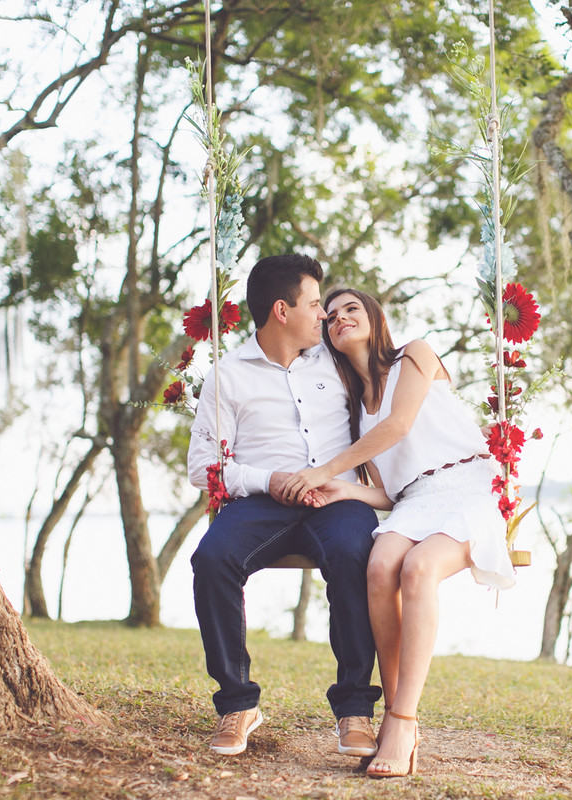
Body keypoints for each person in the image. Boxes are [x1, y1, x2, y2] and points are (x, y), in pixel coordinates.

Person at [279, 288, 516, 778]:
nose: (341, 318)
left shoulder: (416, 353)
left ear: (373, 317)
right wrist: (345, 491)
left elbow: (401, 425)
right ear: (326, 336)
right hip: (414, 502)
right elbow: (387, 494)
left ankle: (404, 721)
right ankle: (393, 712)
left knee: (418, 568)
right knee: (380, 564)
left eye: (352, 309)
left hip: (468, 485)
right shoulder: (358, 408)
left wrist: (325, 471)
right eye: (332, 316)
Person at [186, 255, 382, 759]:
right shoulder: (227, 375)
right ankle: (237, 703)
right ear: (281, 310)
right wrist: (267, 480)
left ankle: (356, 710)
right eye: (315, 304)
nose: (323, 315)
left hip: (337, 499)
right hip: (262, 503)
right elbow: (202, 467)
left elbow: (392, 393)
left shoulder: (336, 361)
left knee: (355, 554)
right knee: (211, 560)